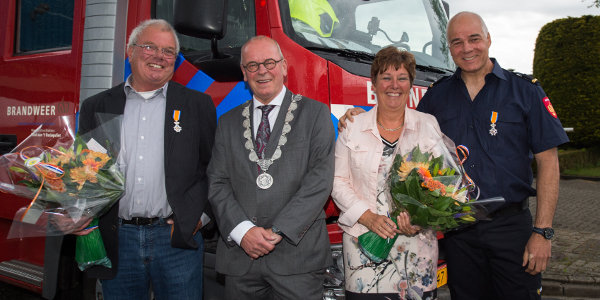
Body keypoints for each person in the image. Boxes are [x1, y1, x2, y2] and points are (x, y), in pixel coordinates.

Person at [338, 11, 569, 300]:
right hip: (459, 234)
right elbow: (402, 124)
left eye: (474, 39)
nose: (467, 48)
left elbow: (549, 163)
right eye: (457, 42)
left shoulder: (524, 92)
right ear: (449, 49)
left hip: (511, 229)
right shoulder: (438, 96)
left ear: (488, 39)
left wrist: (543, 232)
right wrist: (359, 117)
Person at [75, 19, 216, 300]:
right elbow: (83, 172)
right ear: (130, 51)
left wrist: (199, 218)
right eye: (149, 47)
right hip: (118, 239)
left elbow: (215, 168)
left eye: (168, 51)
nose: (158, 57)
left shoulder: (198, 105)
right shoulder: (97, 106)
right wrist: (78, 215)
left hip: (176, 240)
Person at [207, 35, 335, 300]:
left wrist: (277, 232)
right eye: (252, 65)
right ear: (244, 73)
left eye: (269, 62)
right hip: (240, 260)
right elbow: (217, 183)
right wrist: (243, 232)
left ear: (284, 66)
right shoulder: (228, 122)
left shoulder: (316, 114)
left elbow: (320, 181)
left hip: (297, 260)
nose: (262, 71)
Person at [332, 46, 439, 300]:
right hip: (363, 245)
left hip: (416, 246)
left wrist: (419, 218)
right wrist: (367, 216)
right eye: (386, 77)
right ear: (374, 83)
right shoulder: (353, 126)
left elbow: (441, 182)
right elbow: (337, 181)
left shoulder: (428, 124)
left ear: (411, 84)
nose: (394, 85)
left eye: (402, 78)